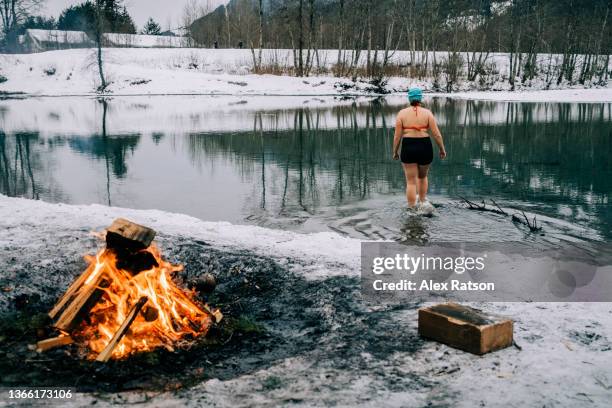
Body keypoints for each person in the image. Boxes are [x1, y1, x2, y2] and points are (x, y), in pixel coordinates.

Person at [392, 87, 446, 211]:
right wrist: (442, 149)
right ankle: (422, 202)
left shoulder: (402, 113)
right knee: (422, 177)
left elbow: (397, 136)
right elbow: (437, 134)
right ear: (420, 98)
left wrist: (395, 151)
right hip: (424, 146)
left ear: (409, 98)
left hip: (408, 146)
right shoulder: (427, 113)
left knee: (411, 181)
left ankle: (411, 209)